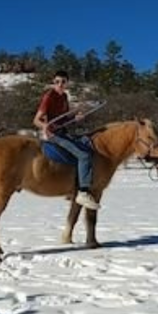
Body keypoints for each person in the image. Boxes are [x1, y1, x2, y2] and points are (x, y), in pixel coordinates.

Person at [33, 70, 99, 210]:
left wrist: (75, 118)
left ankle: (72, 188)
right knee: (84, 156)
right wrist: (45, 126)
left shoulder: (64, 97)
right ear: (53, 82)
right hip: (54, 135)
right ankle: (83, 192)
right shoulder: (49, 96)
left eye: (63, 82)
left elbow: (64, 119)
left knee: (87, 145)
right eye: (57, 82)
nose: (60, 84)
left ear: (67, 83)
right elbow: (36, 120)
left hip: (64, 132)